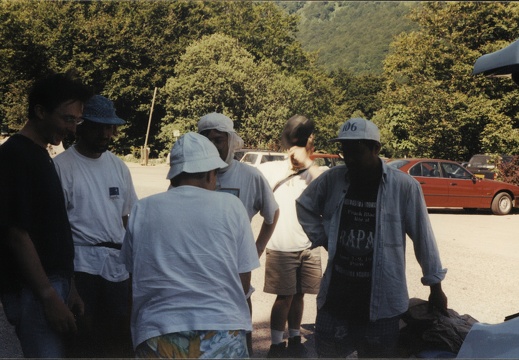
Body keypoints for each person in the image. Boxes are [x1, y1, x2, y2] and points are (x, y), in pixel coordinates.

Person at [296, 117, 448, 358]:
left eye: (356, 152)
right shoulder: (334, 178)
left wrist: (435, 286)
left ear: (376, 149)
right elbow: (305, 205)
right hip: (336, 300)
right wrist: (324, 238)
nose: (350, 159)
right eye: (345, 152)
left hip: (382, 305)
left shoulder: (404, 187)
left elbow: (423, 236)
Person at [119, 132, 260, 358]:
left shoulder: (142, 209)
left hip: (158, 332)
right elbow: (243, 281)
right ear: (209, 174)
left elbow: (133, 278)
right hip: (222, 331)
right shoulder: (232, 206)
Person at [0, 71, 92, 358]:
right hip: (34, 293)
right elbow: (16, 233)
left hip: (51, 287)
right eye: (67, 119)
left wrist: (69, 286)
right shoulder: (15, 156)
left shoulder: (39, 155)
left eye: (77, 120)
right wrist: (49, 295)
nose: (73, 129)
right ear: (40, 111)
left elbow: (53, 229)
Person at [53, 95, 138, 357]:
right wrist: (69, 283)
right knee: (83, 340)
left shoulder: (118, 166)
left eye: (109, 127)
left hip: (117, 266)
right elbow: (57, 231)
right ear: (81, 125)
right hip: (81, 266)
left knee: (119, 340)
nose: (105, 134)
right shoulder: (62, 167)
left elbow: (129, 220)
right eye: (97, 126)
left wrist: (135, 268)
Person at [197, 112, 279, 354]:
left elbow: (272, 214)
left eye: (218, 140)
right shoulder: (190, 176)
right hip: (199, 268)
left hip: (236, 272)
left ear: (231, 141)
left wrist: (257, 248)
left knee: (240, 338)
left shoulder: (249, 175)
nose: (212, 145)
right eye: (206, 139)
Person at [258, 115, 323, 358]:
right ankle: (276, 344)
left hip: (308, 246)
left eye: (306, 148)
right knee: (283, 296)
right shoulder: (271, 169)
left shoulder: (315, 173)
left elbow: (325, 185)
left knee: (300, 295)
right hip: (281, 246)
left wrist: (307, 163)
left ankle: (294, 337)